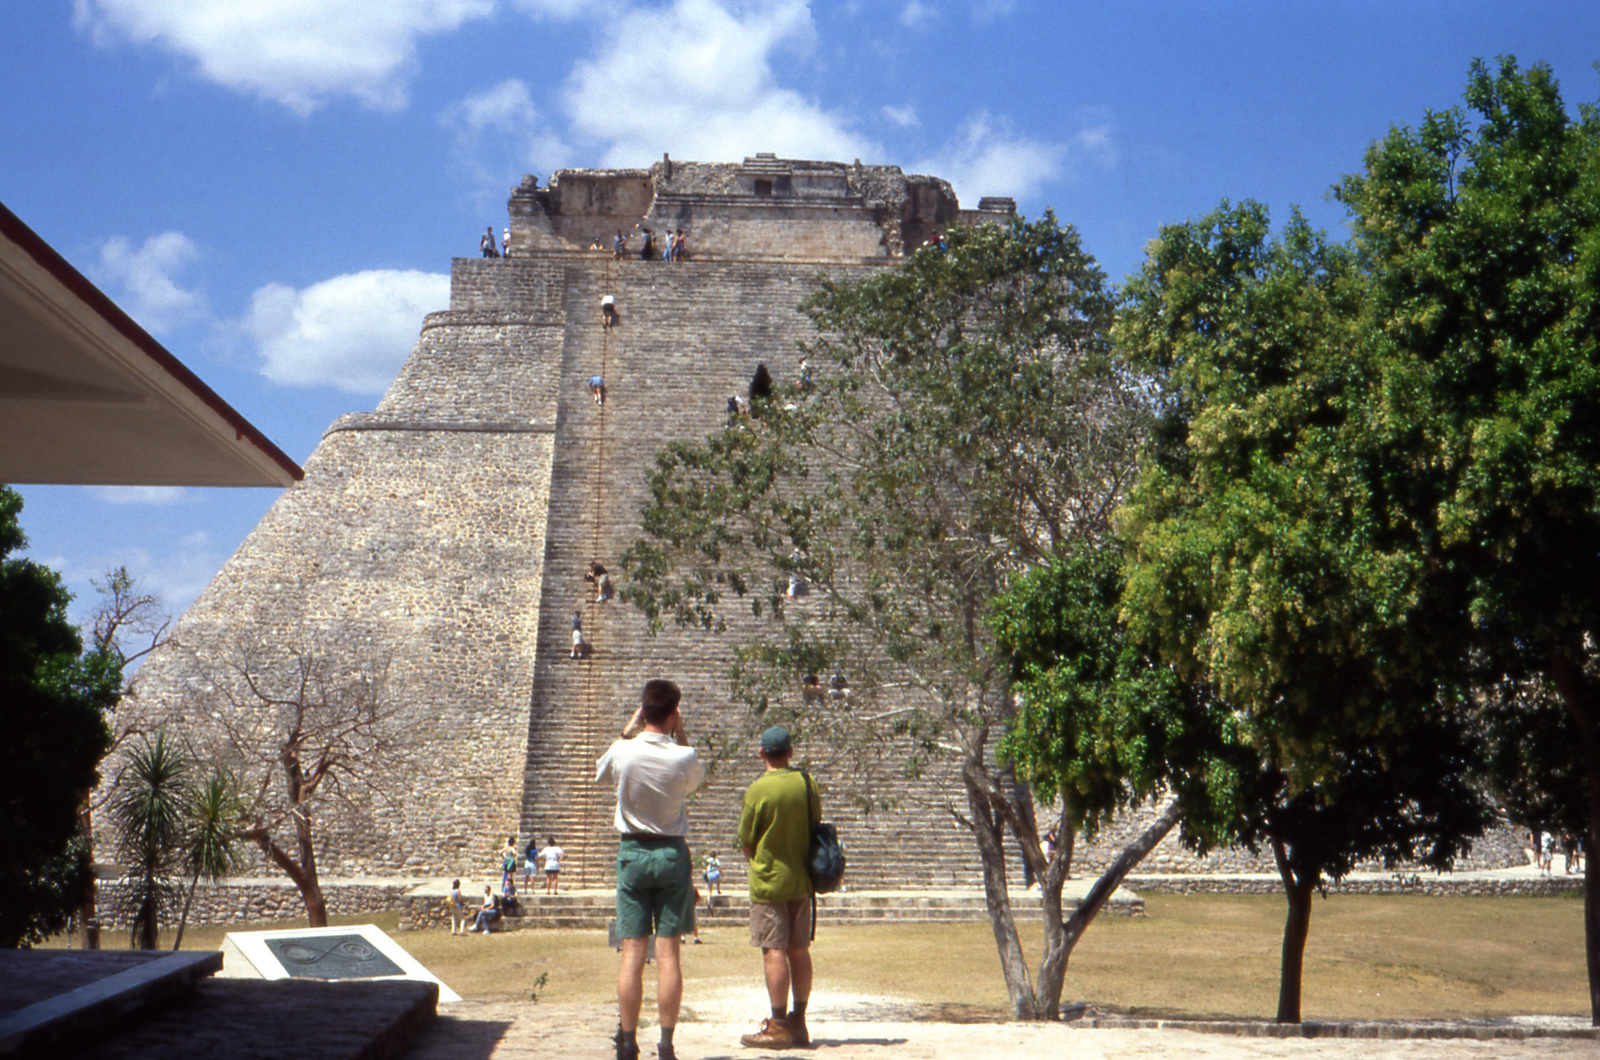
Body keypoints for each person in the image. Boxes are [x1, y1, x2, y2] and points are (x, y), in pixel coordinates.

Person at [596, 679, 705, 1060]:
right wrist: (680, 730)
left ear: (643, 711)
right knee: (669, 955)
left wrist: (630, 728)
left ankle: (627, 1041)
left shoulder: (622, 750)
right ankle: (666, 1043)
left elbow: (601, 773)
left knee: (632, 953)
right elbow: (694, 778)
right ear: (674, 713)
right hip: (672, 854)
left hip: (633, 853)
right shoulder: (683, 756)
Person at [736, 725, 821, 1048]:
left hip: (768, 882)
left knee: (774, 951)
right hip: (802, 879)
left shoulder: (758, 790)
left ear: (761, 753)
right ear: (790, 752)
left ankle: (778, 1024)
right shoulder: (806, 783)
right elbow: (815, 824)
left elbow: (746, 842)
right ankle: (799, 1021)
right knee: (799, 950)